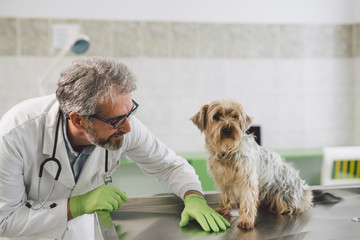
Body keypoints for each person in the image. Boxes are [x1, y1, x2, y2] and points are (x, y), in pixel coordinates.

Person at [0, 57, 230, 239]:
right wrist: (77, 205)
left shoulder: (122, 124)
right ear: (79, 120)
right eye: (116, 120)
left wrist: (193, 196)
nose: (128, 127)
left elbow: (170, 166)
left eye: (130, 112)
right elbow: (4, 221)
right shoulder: (15, 134)